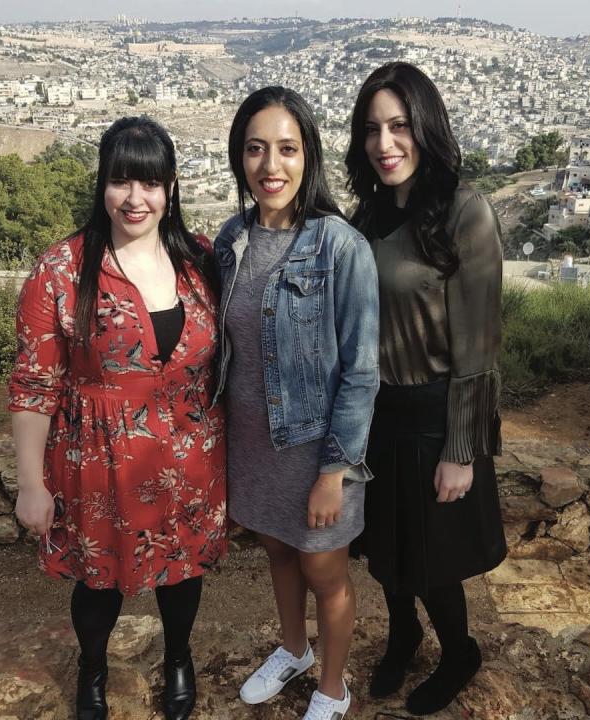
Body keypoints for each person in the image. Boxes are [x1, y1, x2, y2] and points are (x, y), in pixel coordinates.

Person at [9, 116, 226, 720]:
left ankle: (178, 659)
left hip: (191, 457)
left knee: (181, 573)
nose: (136, 199)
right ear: (102, 184)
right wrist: (31, 483)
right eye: (121, 181)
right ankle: (93, 670)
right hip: (98, 462)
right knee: (97, 580)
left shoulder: (200, 259)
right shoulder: (62, 270)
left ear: (172, 188)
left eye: (151, 183)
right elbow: (33, 384)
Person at [345, 62, 508, 716]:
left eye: (400, 126)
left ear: (425, 128)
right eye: (372, 130)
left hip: (437, 414)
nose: (385, 144)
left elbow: (478, 344)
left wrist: (461, 450)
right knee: (387, 548)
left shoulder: (464, 213)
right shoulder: (370, 216)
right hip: (378, 413)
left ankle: (459, 649)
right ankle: (404, 632)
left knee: (435, 558)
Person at [213, 86, 379, 720]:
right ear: (239, 158)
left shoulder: (340, 247)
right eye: (255, 150)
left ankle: (333, 689)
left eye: (286, 149)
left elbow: (362, 372)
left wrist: (334, 473)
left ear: (308, 155)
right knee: (279, 551)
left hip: (318, 452)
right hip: (254, 445)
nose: (270, 166)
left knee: (325, 574)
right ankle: (293, 650)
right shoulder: (232, 240)